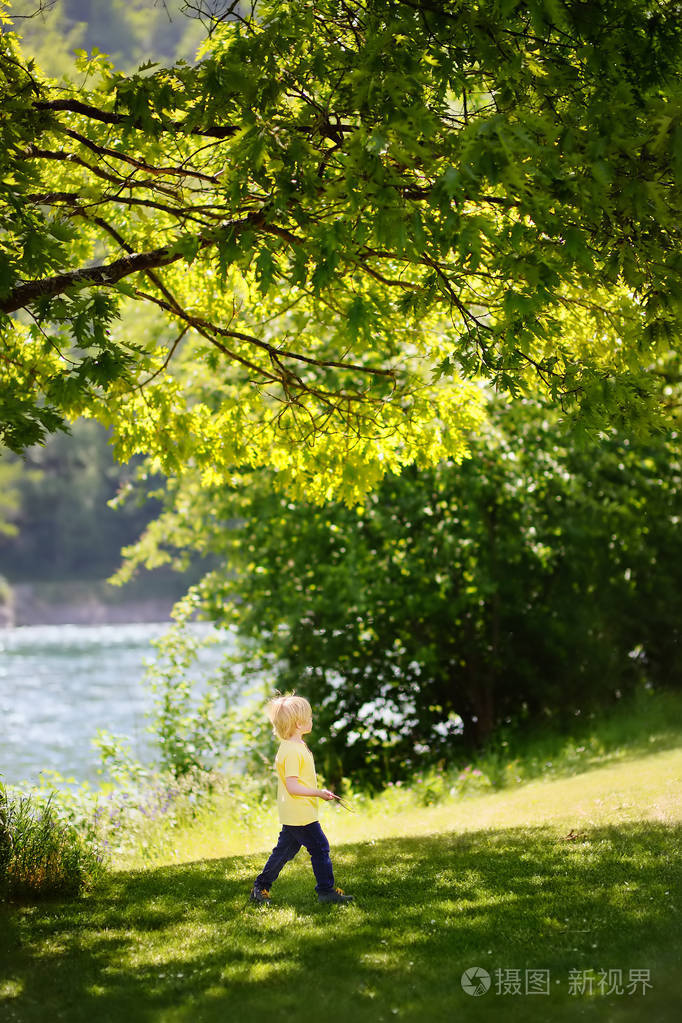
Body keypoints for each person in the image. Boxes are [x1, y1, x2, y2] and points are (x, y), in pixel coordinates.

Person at [250, 693, 354, 906]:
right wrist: (319, 792)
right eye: (309, 717)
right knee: (320, 847)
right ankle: (325, 891)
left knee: (284, 852)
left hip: (295, 812)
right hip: (300, 814)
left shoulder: (295, 746)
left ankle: (260, 887)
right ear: (299, 723)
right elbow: (293, 786)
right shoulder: (291, 751)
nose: (311, 719)